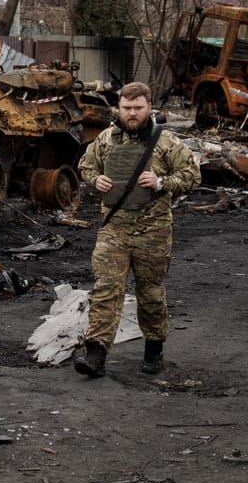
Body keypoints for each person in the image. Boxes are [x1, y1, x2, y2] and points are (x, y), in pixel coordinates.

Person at [72, 82, 200, 378]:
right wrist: (96, 181)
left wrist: (161, 183)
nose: (131, 114)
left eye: (137, 108)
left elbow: (192, 176)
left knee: (150, 292)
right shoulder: (106, 139)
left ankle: (154, 349)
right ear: (118, 107)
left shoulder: (166, 142)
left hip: (152, 230)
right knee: (105, 289)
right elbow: (86, 167)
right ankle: (96, 353)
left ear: (148, 108)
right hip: (114, 228)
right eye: (126, 108)